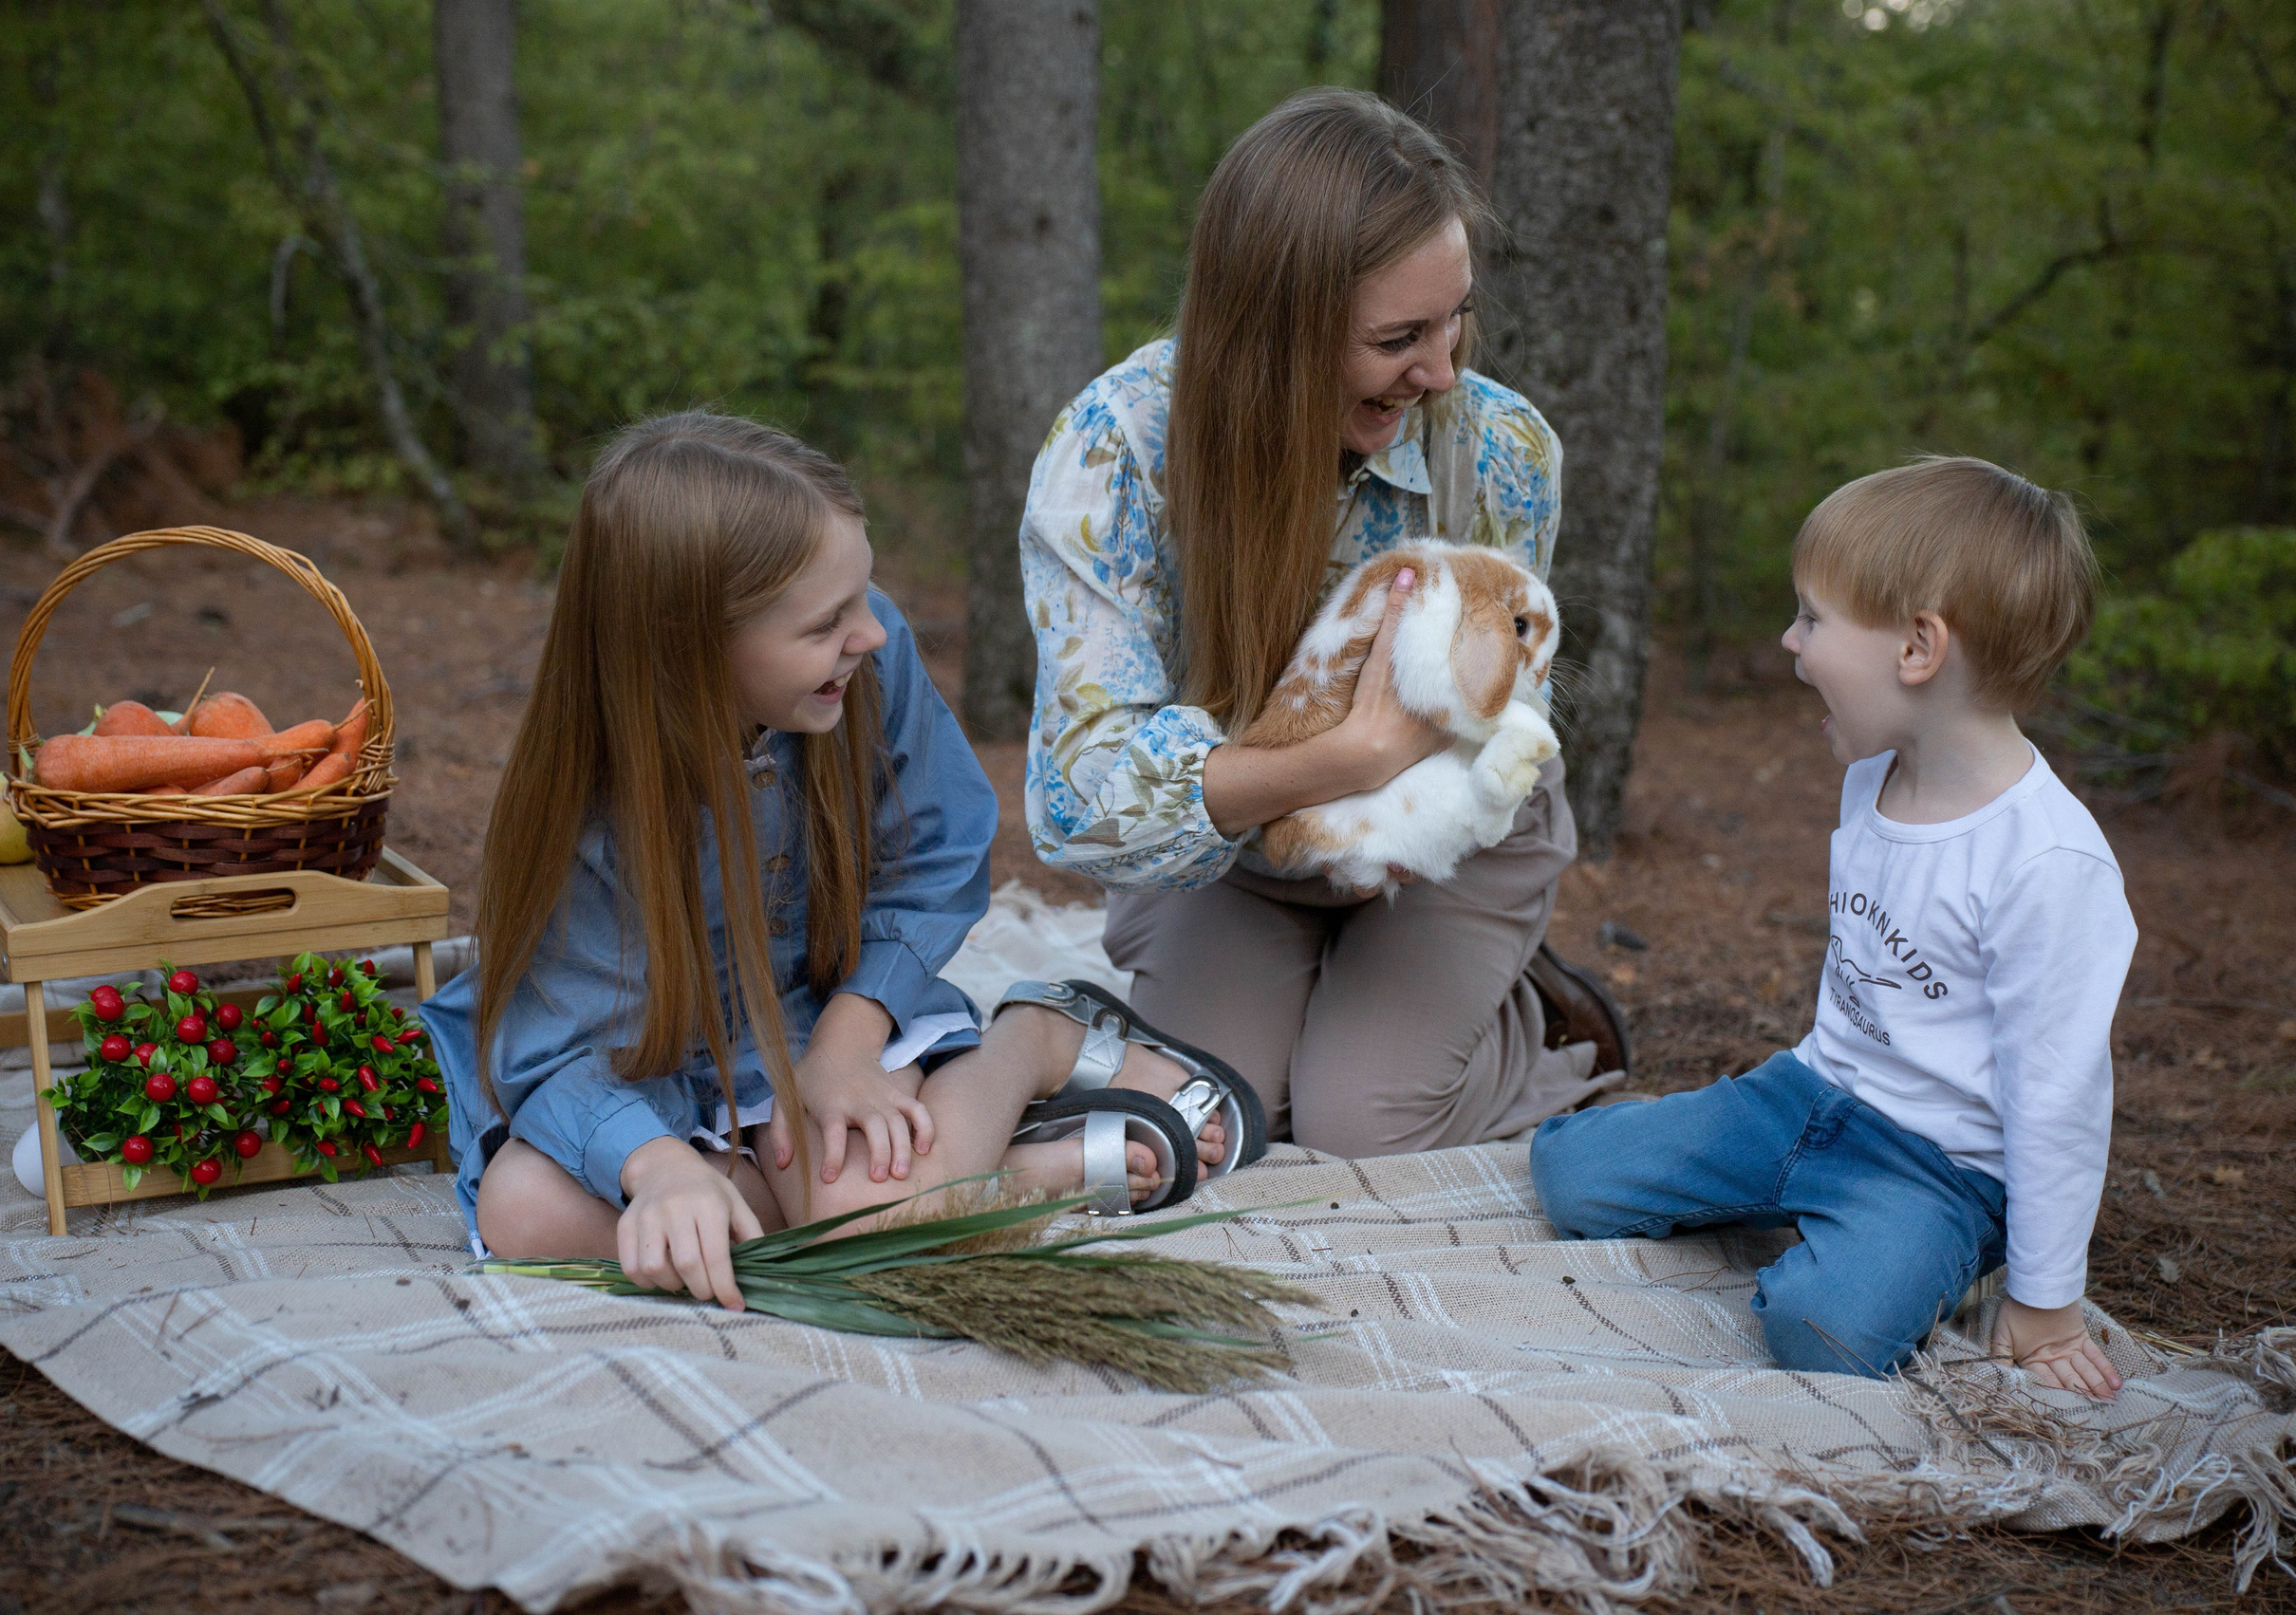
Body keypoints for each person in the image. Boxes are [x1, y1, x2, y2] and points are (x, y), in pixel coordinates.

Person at [423, 413, 1243, 1310]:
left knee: (850, 1215)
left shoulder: (856, 663)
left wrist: (848, 1049)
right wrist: (658, 1169)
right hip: (652, 1079)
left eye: (865, 594)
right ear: (691, 649)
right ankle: (1009, 1176)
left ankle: (1032, 1042)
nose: (873, 634)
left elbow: (940, 848)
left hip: (831, 1011)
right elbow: (551, 1052)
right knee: (524, 1213)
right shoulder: (584, 807)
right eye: (826, 622)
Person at [1018, 88, 1629, 1160]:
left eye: (1455, 320)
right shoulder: (1115, 453)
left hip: (1444, 828)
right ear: (1272, 329)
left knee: (1364, 1121)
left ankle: (1545, 1030)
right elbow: (1079, 801)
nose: (1442, 371)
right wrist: (1349, 756)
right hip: (1238, 845)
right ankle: (1324, 1001)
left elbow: (1497, 704)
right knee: (1224, 1119)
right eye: (1398, 337)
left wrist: (1399, 788)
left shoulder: (1500, 450)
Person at [1532, 458, 2136, 1395]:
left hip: (1938, 1170)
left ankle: (1883, 1251)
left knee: (1827, 1331)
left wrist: (2046, 1301)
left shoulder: (2045, 867)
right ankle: (1792, 1202)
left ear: (1916, 650)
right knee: (1570, 1178)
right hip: (1807, 1095)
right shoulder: (1873, 778)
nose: (1789, 641)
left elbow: (2058, 1098)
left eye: (1812, 619)